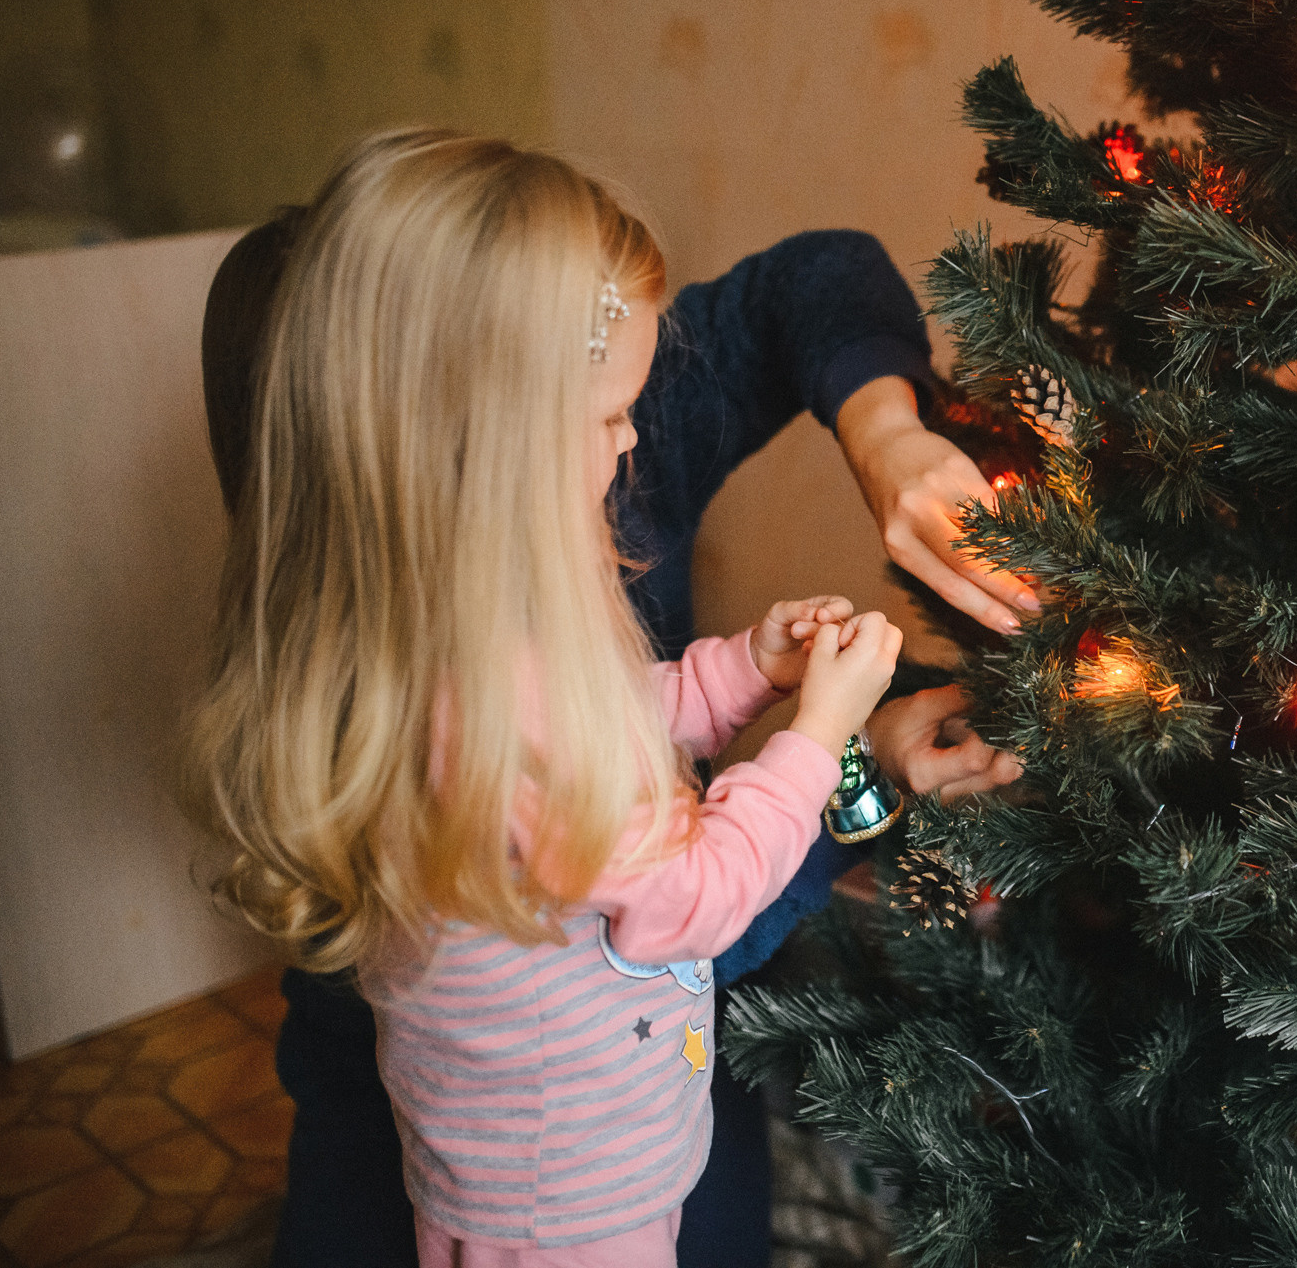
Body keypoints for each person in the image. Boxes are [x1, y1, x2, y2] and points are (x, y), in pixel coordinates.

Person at [195, 132, 1023, 1265]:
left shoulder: (455, 628)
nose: (633, 437)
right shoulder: (489, 698)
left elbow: (604, 715)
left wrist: (742, 669)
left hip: (565, 1136)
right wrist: (827, 740)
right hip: (569, 1203)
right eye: (605, 417)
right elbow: (687, 903)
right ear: (484, 437)